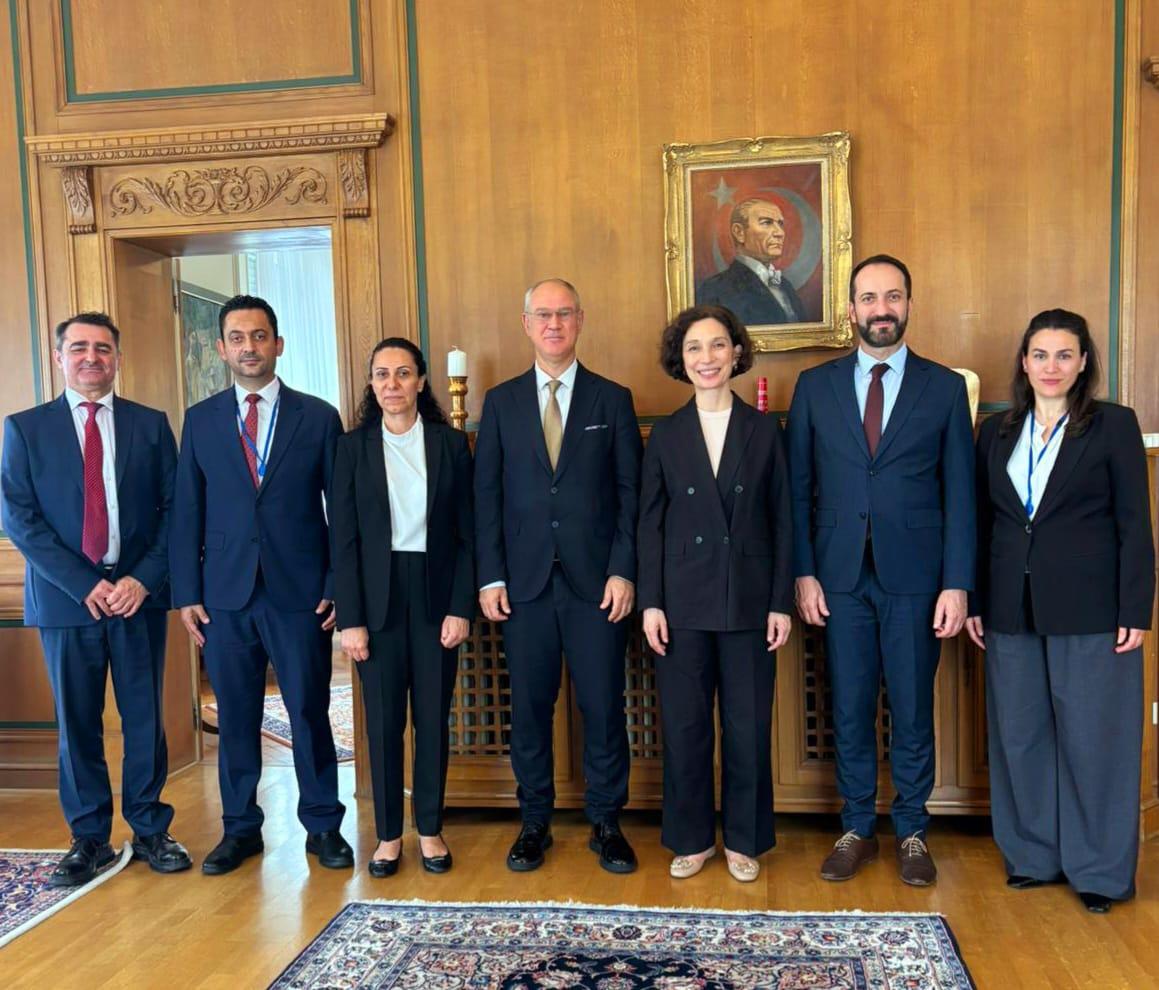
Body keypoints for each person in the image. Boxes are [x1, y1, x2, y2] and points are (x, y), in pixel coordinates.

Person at [787, 254, 975, 886]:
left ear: (909, 305)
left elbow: (960, 494)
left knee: (913, 708)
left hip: (917, 577)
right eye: (869, 298)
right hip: (838, 577)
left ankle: (913, 831)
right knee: (849, 706)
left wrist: (957, 583)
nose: (881, 309)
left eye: (892, 296)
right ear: (851, 310)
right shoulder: (814, 386)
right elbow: (798, 490)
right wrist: (804, 572)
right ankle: (857, 828)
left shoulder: (943, 388)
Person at [966, 310, 1153, 914]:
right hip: (1009, 607)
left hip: (1093, 608)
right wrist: (975, 599)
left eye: (1064, 355)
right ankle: (1032, 856)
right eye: (1041, 355)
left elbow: (1135, 524)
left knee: (1095, 740)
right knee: (1019, 736)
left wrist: (1136, 608)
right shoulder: (996, 432)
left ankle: (1099, 871)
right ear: (1024, 362)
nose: (1052, 366)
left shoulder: (1113, 425)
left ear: (1083, 362)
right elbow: (982, 524)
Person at [1, 312, 191, 885]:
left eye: (103, 348)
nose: (91, 357)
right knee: (78, 722)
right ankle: (88, 838)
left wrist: (142, 579)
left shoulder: (150, 425)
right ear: (59, 358)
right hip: (67, 601)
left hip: (137, 597)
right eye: (79, 347)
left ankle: (151, 828)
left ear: (117, 359)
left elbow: (174, 512)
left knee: (144, 718)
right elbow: (20, 519)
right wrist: (84, 584)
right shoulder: (25, 429)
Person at [169, 294, 353, 875]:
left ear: (278, 344)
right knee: (237, 715)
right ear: (222, 349)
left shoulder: (318, 417)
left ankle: (323, 825)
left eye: (259, 336)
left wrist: (336, 581)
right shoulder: (200, 419)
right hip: (224, 595)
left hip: (301, 592)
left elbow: (342, 509)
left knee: (308, 710)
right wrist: (186, 592)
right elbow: (187, 510)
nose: (249, 347)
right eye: (237, 338)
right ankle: (240, 829)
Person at [474, 278, 643, 874]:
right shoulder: (500, 403)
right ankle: (534, 822)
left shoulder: (611, 399)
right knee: (529, 710)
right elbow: (486, 497)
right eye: (542, 314)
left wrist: (624, 571)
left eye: (563, 313)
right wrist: (490, 577)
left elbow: (631, 497)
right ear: (526, 324)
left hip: (597, 587)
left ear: (580, 320)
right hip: (523, 588)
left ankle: (607, 821)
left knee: (604, 708)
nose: (553, 324)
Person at [637, 305, 792, 882]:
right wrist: (651, 602)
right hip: (681, 603)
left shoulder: (765, 430)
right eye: (695, 348)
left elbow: (783, 521)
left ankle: (745, 840)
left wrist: (780, 602)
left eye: (718, 345)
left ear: (736, 353)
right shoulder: (666, 433)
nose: (707, 358)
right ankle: (692, 838)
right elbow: (649, 524)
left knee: (748, 728)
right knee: (685, 728)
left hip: (750, 600)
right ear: (681, 360)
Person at [329, 337, 474, 877]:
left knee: (433, 719)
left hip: (436, 595)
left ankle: (430, 829)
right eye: (382, 374)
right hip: (376, 600)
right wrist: (351, 620)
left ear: (421, 381)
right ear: (371, 384)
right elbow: (343, 540)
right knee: (384, 724)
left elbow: (467, 535)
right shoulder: (351, 449)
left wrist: (461, 607)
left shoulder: (450, 445)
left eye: (403, 373)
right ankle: (389, 835)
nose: (392, 384)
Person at [696, 198, 809, 325]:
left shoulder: (786, 285)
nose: (780, 233)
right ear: (739, 232)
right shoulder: (715, 289)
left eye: (780, 224)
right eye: (766, 223)